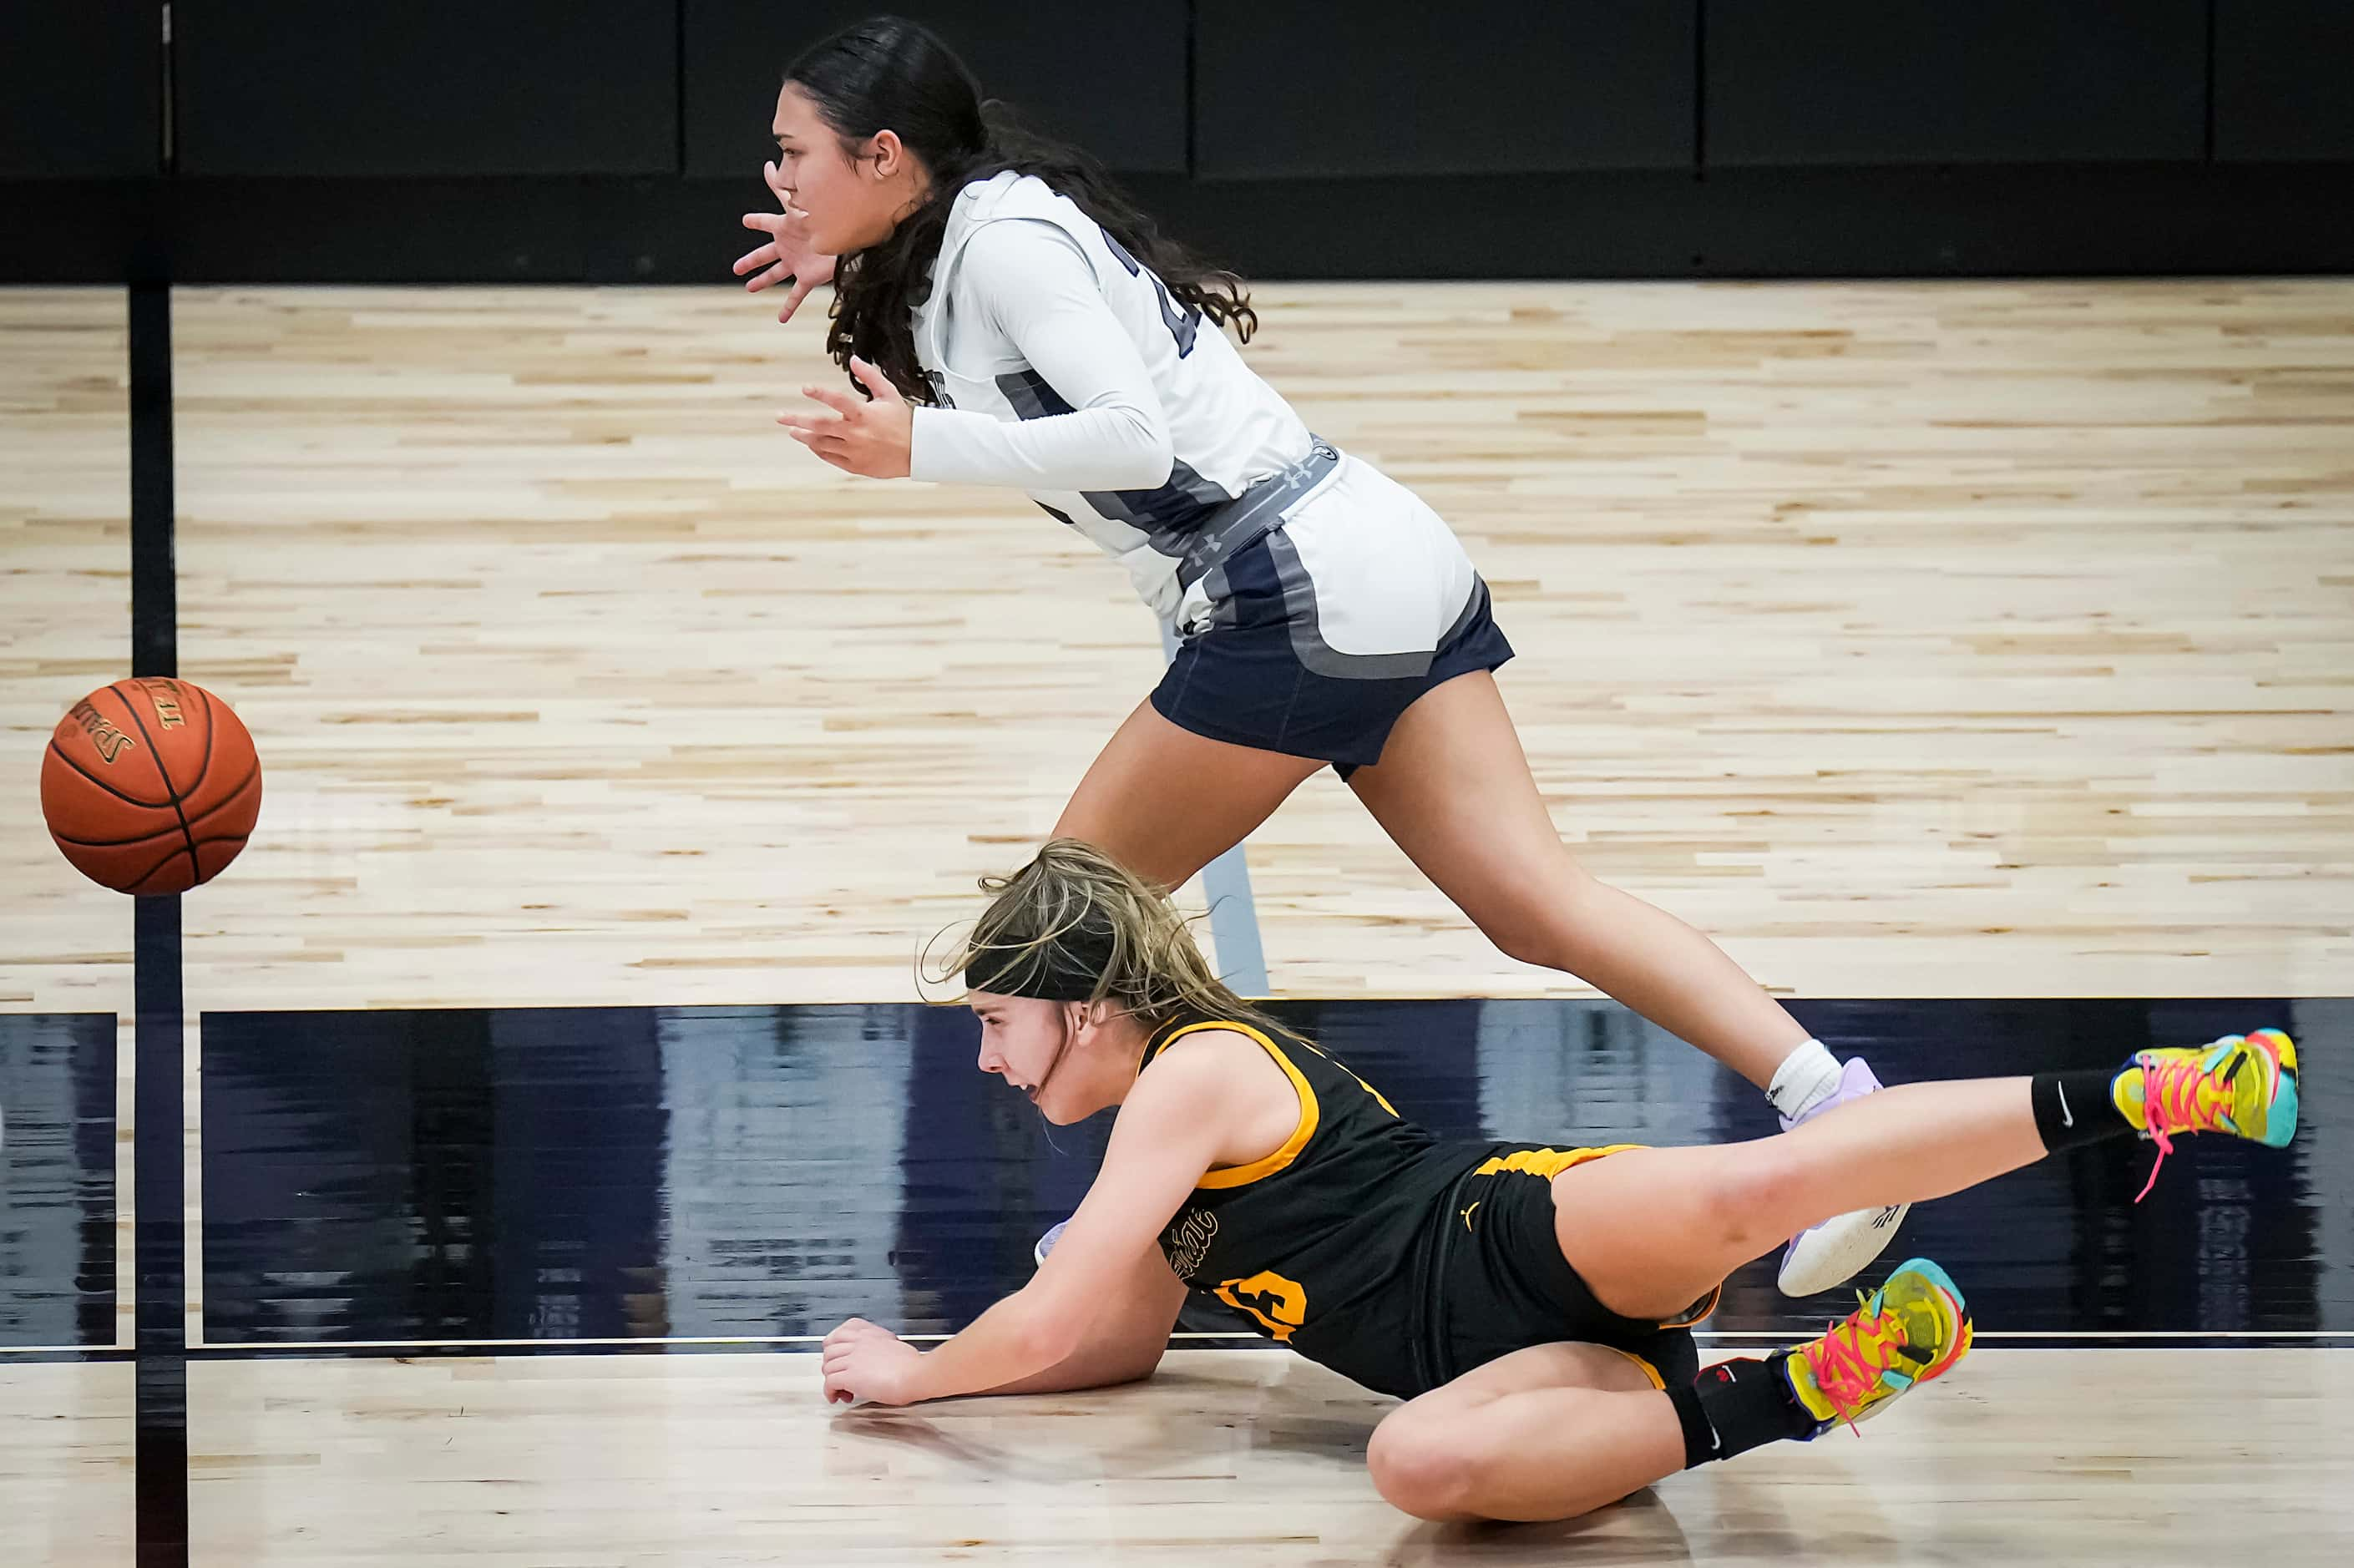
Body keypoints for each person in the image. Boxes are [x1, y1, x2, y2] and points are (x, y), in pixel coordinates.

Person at [742, 17, 1904, 1293]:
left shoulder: (1009, 247)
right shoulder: (966, 238)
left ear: (888, 154)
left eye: (795, 155)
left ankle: (1137, 1235)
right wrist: (833, 248)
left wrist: (924, 451)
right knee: (1535, 903)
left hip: (1288, 590)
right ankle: (1840, 1111)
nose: (776, 177)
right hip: (1373, 557)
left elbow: (1132, 439)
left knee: (1051, 935)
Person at [814, 840, 2301, 1522]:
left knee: (1745, 1193)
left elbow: (1064, 1303)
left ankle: (2143, 1092)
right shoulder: (1149, 1141)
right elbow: (1114, 1336)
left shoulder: (1194, 1069)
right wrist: (1009, 1361)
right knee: (1418, 1474)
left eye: (998, 1026)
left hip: (1509, 1231)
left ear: (1083, 1003)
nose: (993, 1066)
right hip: (1524, 1369)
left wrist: (915, 1373)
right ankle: (1799, 1392)